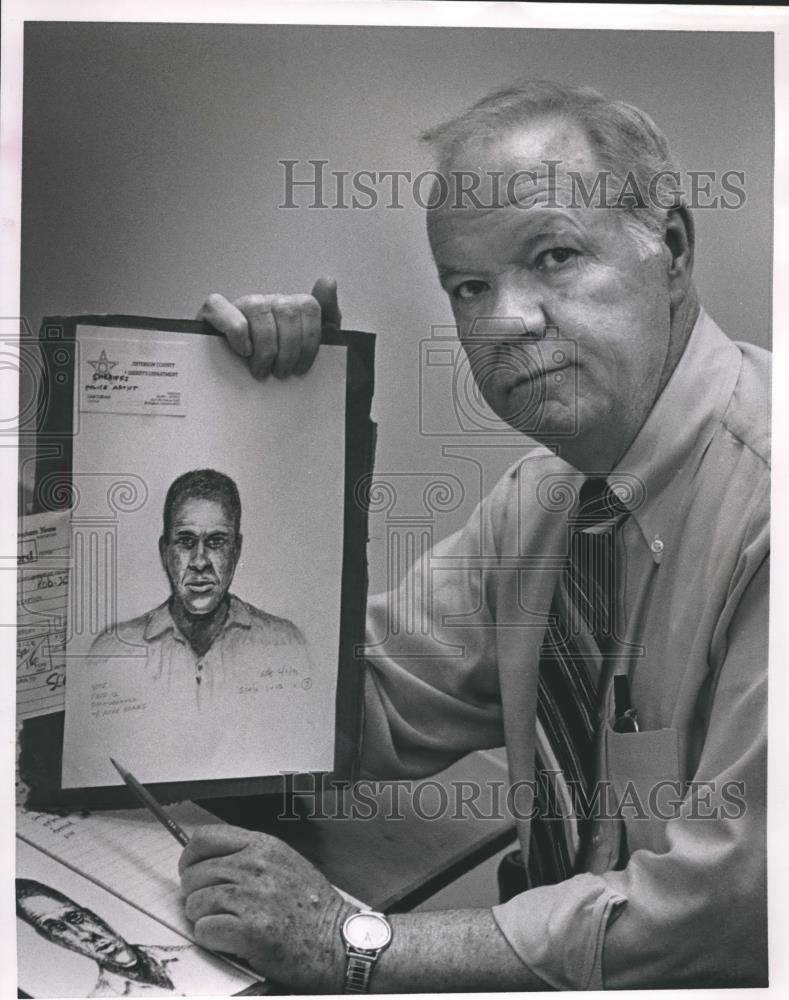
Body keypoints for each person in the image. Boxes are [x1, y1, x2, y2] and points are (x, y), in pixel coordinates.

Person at [177, 80, 768, 990]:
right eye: (468, 286)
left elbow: (728, 915)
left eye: (555, 256)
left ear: (673, 249)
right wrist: (276, 441)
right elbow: (340, 715)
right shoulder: (543, 499)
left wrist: (357, 948)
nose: (502, 320)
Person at [90, 468, 310, 701]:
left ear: (236, 551)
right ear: (165, 551)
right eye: (186, 541)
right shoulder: (112, 651)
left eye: (216, 542)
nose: (199, 561)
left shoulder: (285, 644)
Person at [16, 878, 190, 995]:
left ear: (93, 916)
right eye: (57, 927)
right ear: (53, 939)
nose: (85, 934)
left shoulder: (190, 953)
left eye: (75, 917)